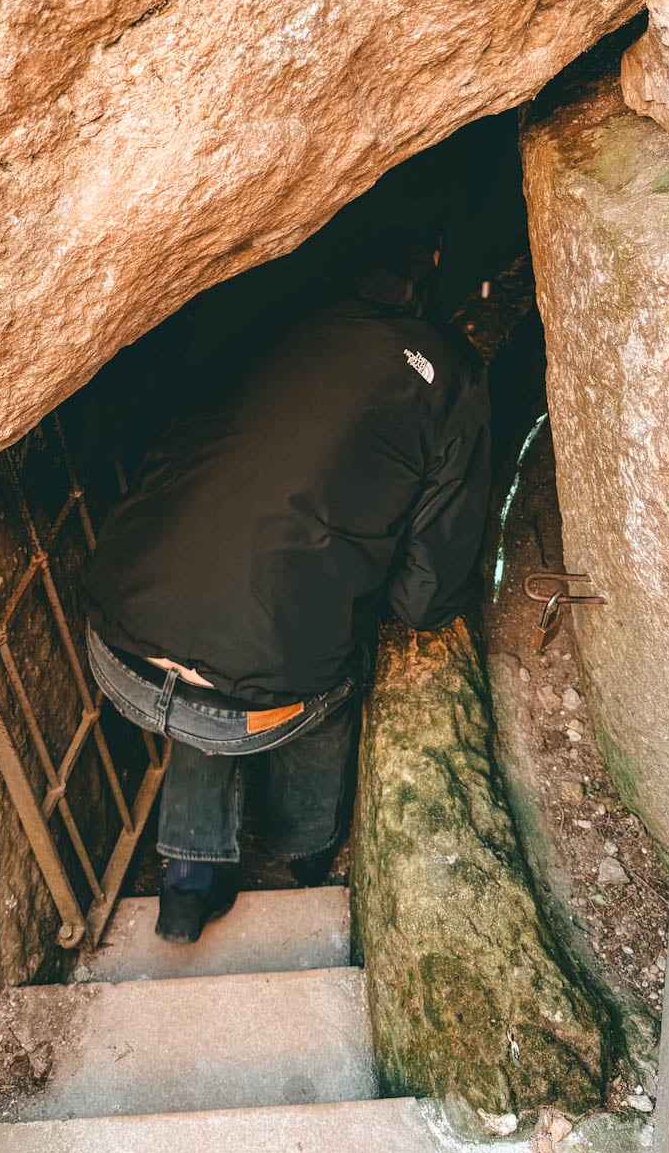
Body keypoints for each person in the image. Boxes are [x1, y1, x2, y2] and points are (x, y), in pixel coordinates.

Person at [86, 225, 491, 943]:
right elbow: (425, 596)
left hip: (116, 648)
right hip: (248, 701)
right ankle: (302, 850)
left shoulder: (252, 316)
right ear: (431, 267)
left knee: (213, 640)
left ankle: (187, 876)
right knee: (309, 669)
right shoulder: (449, 374)